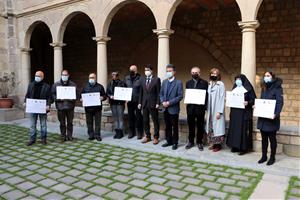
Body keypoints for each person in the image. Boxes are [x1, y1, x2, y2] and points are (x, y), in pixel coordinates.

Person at [257, 71, 283, 165]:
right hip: (263, 118)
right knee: (263, 139)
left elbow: (280, 102)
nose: (266, 77)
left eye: (268, 76)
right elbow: (261, 100)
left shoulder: (277, 88)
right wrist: (256, 106)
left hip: (272, 118)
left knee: (272, 139)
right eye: (265, 76)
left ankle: (272, 157)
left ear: (272, 77)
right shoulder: (264, 88)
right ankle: (264, 156)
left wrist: (276, 114)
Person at [227, 74, 256, 155]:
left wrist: (248, 102)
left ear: (243, 80)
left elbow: (254, 100)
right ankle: (235, 146)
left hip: (244, 113)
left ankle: (243, 148)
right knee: (235, 129)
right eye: (236, 79)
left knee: (242, 130)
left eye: (239, 79)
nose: (238, 81)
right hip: (235, 113)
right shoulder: (234, 88)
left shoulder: (248, 89)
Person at [24, 71, 52, 146]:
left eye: (39, 76)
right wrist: (25, 102)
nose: (37, 77)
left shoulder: (47, 86)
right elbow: (27, 95)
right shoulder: (31, 85)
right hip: (33, 108)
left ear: (42, 77)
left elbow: (49, 97)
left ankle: (43, 139)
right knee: (32, 124)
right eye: (36, 75)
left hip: (42, 108)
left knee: (43, 124)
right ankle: (32, 139)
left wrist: (48, 105)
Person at [160, 64, 183, 150]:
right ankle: (168, 141)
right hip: (165, 109)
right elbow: (161, 94)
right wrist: (163, 101)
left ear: (174, 72)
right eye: (167, 71)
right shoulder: (164, 82)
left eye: (170, 71)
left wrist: (169, 102)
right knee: (167, 126)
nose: (168, 72)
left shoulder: (178, 83)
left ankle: (175, 142)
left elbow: (180, 96)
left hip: (173, 109)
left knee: (174, 126)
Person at [51, 69, 78, 143]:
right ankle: (63, 136)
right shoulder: (56, 84)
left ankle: (70, 136)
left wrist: (72, 98)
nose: (64, 76)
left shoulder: (73, 84)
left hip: (70, 107)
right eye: (63, 75)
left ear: (68, 76)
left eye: (66, 75)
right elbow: (52, 94)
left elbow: (77, 95)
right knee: (62, 123)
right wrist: (58, 98)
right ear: (61, 75)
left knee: (70, 123)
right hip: (60, 107)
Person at [185, 67, 208, 151]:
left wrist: (205, 106)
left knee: (200, 126)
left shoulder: (204, 83)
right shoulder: (188, 83)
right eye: (193, 72)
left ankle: (199, 142)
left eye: (196, 72)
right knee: (191, 126)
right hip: (190, 108)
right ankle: (190, 141)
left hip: (200, 108)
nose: (194, 74)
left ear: (199, 73)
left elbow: (206, 96)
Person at [138, 64, 161, 145]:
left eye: (147, 70)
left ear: (151, 71)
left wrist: (158, 103)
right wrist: (140, 102)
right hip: (144, 103)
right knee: (145, 120)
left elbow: (159, 93)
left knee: (155, 121)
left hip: (153, 103)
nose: (146, 71)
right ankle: (147, 136)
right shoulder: (142, 79)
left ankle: (156, 137)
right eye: (145, 70)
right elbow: (141, 92)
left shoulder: (156, 79)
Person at [81, 73, 107, 141]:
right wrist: (81, 99)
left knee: (98, 123)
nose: (91, 79)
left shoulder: (100, 87)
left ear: (95, 78)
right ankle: (91, 135)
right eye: (90, 77)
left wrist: (102, 98)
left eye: (93, 77)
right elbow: (81, 95)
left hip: (97, 108)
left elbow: (105, 96)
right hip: (88, 108)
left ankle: (97, 135)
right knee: (89, 123)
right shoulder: (85, 86)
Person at [205, 68, 226, 152]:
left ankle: (218, 145)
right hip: (210, 109)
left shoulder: (220, 84)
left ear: (218, 75)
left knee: (218, 127)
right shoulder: (209, 84)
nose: (213, 75)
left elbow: (222, 98)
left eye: (215, 73)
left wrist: (219, 111)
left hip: (217, 109)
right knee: (211, 126)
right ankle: (212, 143)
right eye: (212, 73)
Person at [124, 65, 143, 139]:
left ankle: (139, 133)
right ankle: (131, 132)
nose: (131, 71)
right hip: (129, 101)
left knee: (138, 117)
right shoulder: (126, 78)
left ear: (136, 70)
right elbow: (124, 88)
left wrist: (140, 101)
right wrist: (125, 98)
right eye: (130, 70)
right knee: (130, 117)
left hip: (137, 101)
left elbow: (142, 90)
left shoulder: (140, 78)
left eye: (133, 70)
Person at [106, 71, 126, 139]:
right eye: (112, 75)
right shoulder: (110, 83)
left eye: (115, 75)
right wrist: (110, 96)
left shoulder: (122, 83)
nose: (113, 76)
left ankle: (120, 133)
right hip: (113, 103)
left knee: (120, 118)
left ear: (117, 76)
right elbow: (107, 92)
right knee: (115, 118)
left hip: (120, 103)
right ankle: (116, 132)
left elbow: (125, 91)